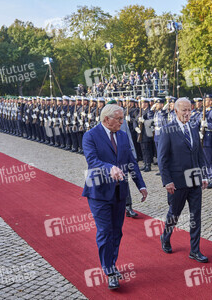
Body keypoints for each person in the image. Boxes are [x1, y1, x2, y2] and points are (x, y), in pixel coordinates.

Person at [82, 104, 148, 289]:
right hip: (99, 192)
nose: (122, 122)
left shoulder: (123, 135)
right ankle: (110, 270)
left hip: (120, 192)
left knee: (117, 231)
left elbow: (132, 163)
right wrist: (109, 168)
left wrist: (140, 185)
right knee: (105, 231)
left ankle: (111, 262)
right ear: (106, 120)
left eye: (122, 118)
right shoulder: (90, 136)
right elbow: (92, 160)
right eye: (118, 119)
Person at [157, 97, 209, 263]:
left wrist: (205, 175)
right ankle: (165, 237)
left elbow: (199, 153)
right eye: (184, 110)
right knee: (174, 214)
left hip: (194, 180)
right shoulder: (168, 130)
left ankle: (195, 250)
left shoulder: (193, 127)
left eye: (189, 110)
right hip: (177, 182)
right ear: (176, 111)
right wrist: (167, 181)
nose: (187, 113)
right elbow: (162, 159)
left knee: (196, 216)